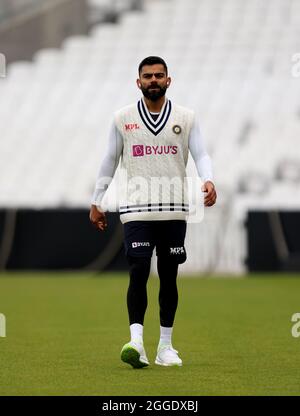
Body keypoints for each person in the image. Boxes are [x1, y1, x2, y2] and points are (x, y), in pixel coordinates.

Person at [89, 56, 217, 369]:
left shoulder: (186, 117)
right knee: (138, 271)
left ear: (168, 80)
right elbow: (109, 158)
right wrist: (97, 200)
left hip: (173, 209)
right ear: (139, 82)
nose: (154, 80)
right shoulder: (123, 118)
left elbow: (201, 152)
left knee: (170, 277)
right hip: (136, 210)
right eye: (148, 76)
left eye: (159, 75)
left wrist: (209, 179)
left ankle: (165, 347)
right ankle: (136, 342)